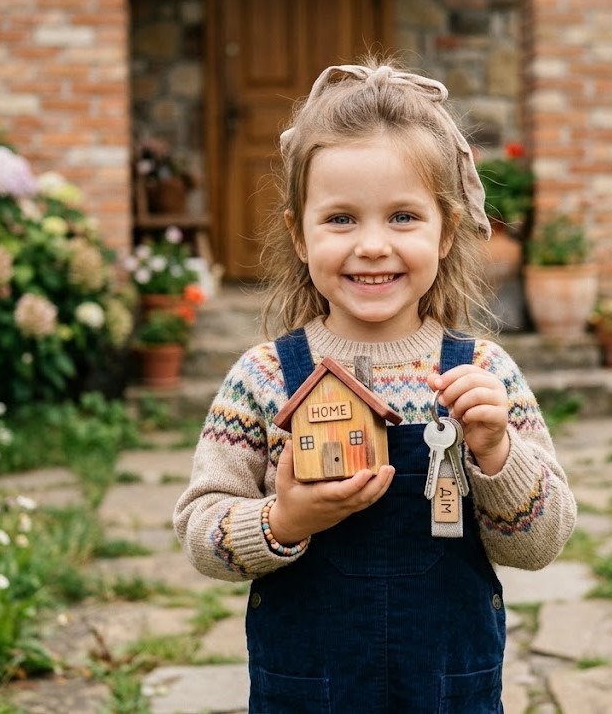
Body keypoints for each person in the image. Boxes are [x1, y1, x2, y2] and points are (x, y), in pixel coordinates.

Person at [173, 59, 577, 713]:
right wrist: (282, 520)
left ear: (446, 231)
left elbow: (540, 542)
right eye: (340, 219)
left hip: (448, 688)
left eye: (402, 217)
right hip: (310, 691)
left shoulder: (482, 373)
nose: (371, 245)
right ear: (297, 235)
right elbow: (201, 530)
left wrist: (498, 455)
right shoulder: (265, 378)